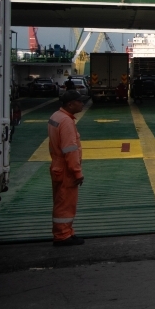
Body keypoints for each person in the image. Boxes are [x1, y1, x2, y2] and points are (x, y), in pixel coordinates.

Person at [47, 91, 88, 246]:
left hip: (58, 166)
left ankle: (66, 232)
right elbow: (70, 150)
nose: (82, 104)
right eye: (80, 101)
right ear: (70, 104)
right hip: (66, 169)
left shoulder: (56, 116)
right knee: (65, 203)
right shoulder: (66, 122)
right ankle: (62, 235)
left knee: (60, 201)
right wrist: (77, 172)